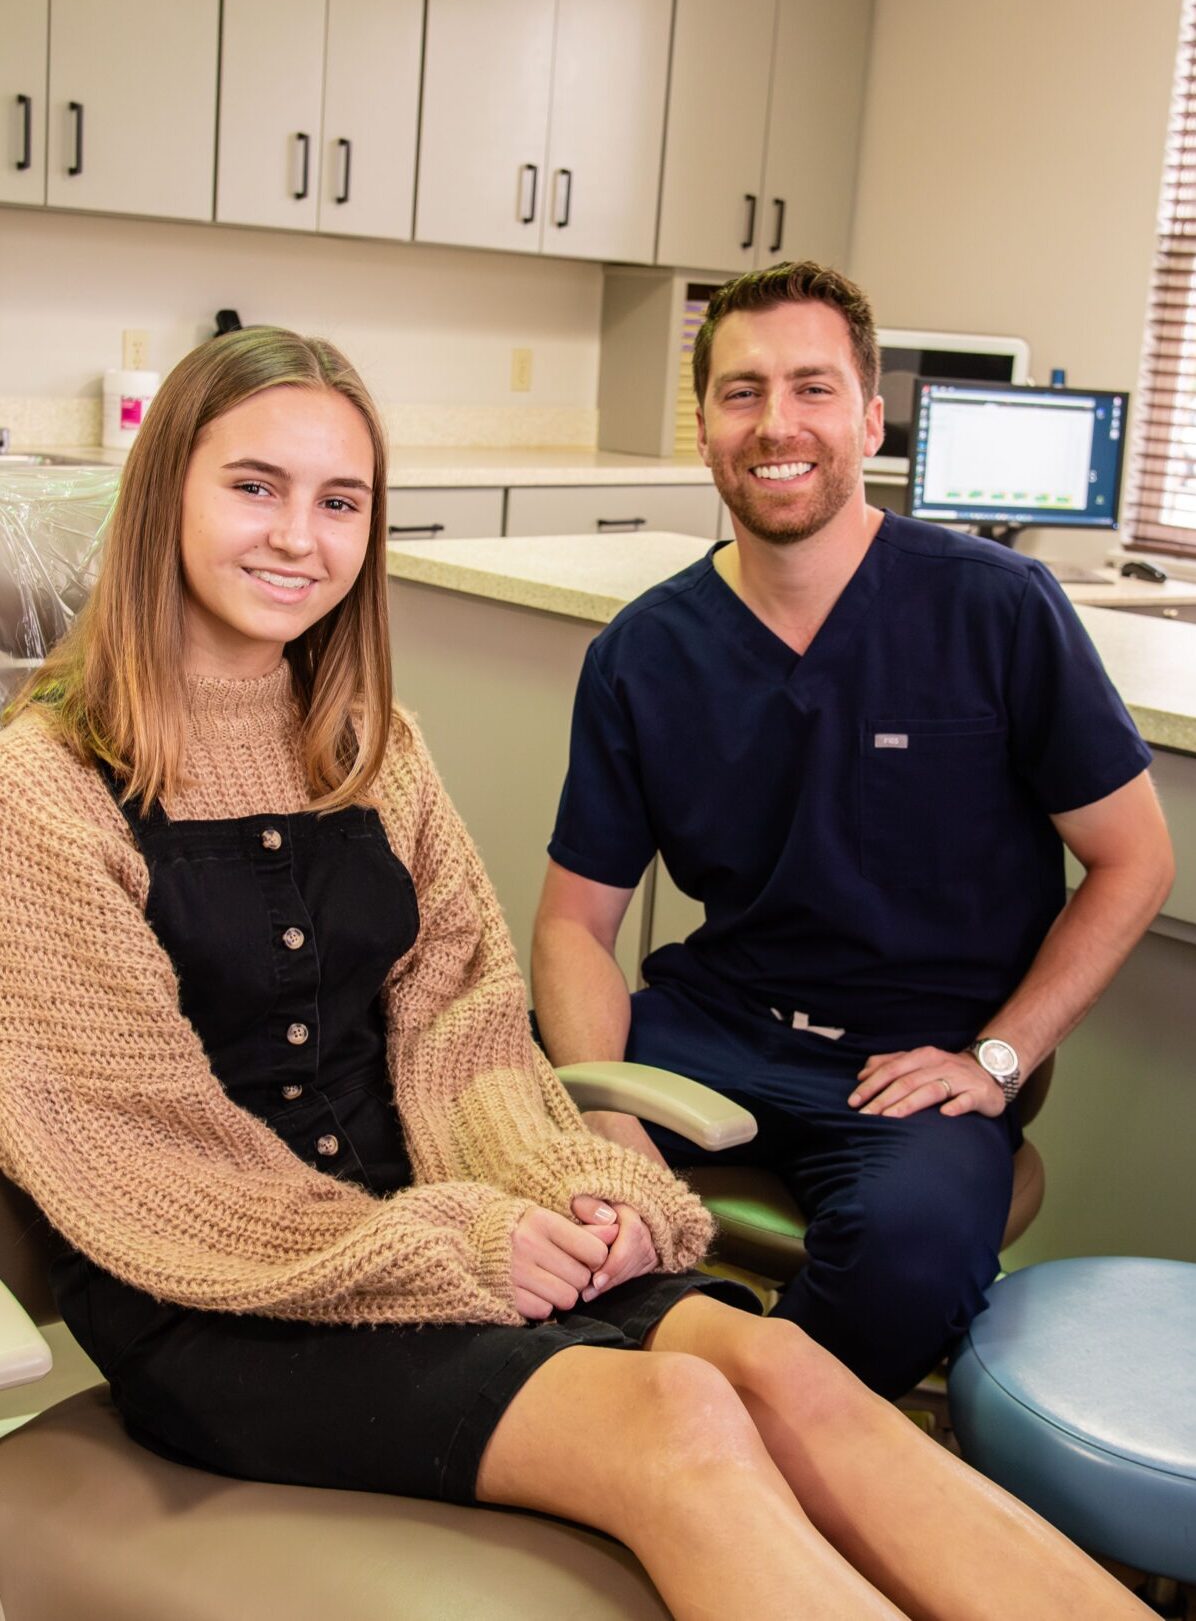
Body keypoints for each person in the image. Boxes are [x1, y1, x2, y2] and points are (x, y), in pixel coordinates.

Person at [0, 327, 1152, 1621]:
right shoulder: (44, 792)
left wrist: (574, 1184)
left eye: (342, 502)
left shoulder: (371, 748)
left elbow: (464, 1032)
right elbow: (149, 1166)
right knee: (678, 1425)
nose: (298, 537)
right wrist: (469, 1239)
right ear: (168, 490)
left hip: (442, 1227)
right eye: (254, 486)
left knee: (792, 1374)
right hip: (223, 1298)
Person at [533, 261, 1175, 1402]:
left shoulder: (994, 609)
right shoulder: (642, 651)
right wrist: (608, 1116)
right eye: (740, 392)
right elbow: (577, 925)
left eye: (811, 388)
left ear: (870, 417)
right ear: (703, 425)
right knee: (491, 1141)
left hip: (910, 1059)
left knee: (906, 1260)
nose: (775, 423)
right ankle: (657, 1409)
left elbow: (1133, 857)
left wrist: (997, 1056)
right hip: (715, 1020)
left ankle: (730, 1449)